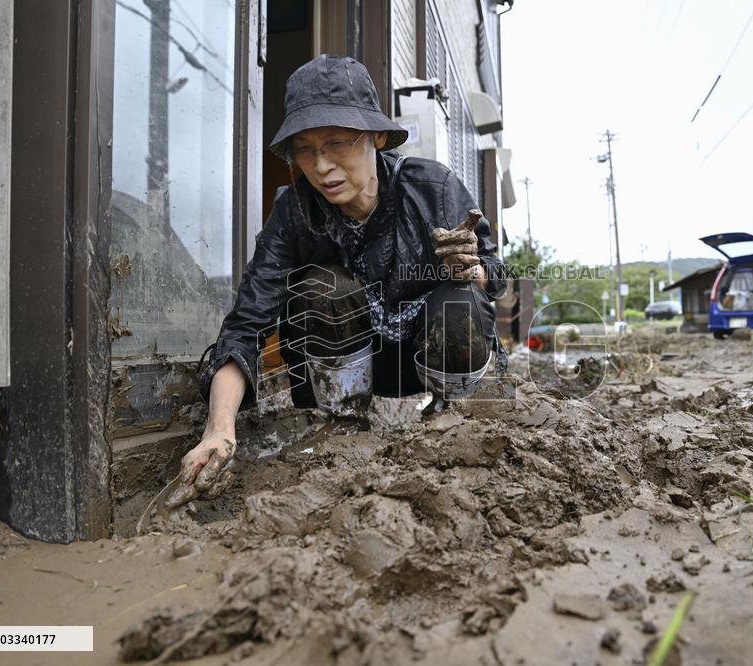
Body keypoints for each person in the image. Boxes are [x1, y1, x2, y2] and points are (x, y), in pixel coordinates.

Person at [166, 54, 506, 508]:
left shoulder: (433, 189)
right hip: (348, 365)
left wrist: (473, 269)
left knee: (459, 300)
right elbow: (247, 323)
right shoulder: (294, 211)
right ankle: (343, 429)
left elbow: (497, 275)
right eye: (305, 149)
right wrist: (219, 430)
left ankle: (454, 421)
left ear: (376, 137)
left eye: (337, 144)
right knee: (321, 286)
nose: (321, 165)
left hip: (425, 355)